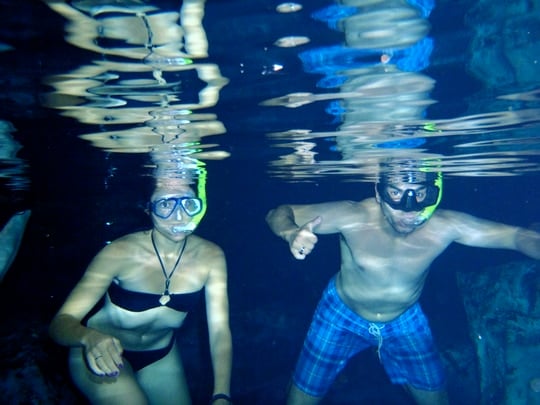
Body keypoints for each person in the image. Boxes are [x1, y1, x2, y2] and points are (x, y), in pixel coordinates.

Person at [266, 169, 540, 405]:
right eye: (395, 194)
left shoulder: (445, 226)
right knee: (299, 399)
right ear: (379, 191)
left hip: (405, 320)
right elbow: (278, 212)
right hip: (340, 315)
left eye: (420, 195)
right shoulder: (353, 215)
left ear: (435, 192)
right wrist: (291, 232)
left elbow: (517, 236)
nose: (408, 210)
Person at [49, 178, 232, 405]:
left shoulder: (212, 256)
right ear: (148, 209)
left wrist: (221, 395)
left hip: (161, 356)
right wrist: (89, 338)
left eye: (188, 204)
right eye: (165, 205)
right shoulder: (119, 252)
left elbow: (219, 331)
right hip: (99, 353)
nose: (179, 215)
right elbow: (59, 324)